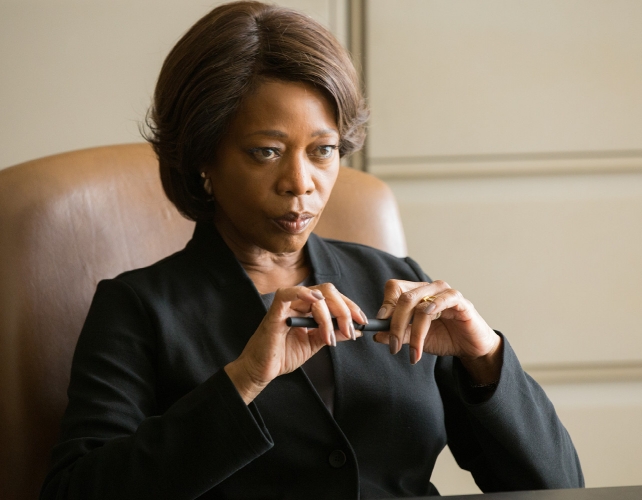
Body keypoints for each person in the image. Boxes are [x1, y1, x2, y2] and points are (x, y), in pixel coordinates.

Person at [40, 2, 583, 498]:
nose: (300, 183)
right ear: (202, 156)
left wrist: (484, 359)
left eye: (322, 151)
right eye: (266, 152)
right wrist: (244, 379)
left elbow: (558, 488)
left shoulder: (395, 279)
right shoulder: (137, 309)